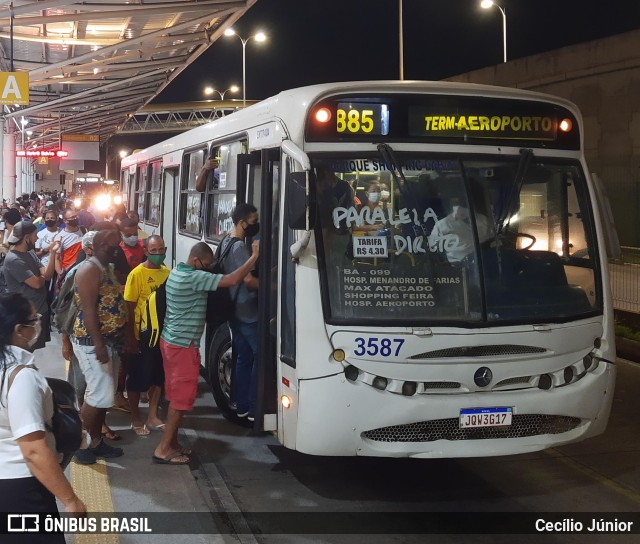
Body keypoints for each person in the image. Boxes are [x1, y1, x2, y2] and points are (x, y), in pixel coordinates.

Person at [153, 240, 259, 465]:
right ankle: (163, 449)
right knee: (180, 401)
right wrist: (254, 257)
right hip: (182, 347)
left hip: (172, 343)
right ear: (195, 260)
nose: (209, 268)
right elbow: (233, 279)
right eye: (206, 264)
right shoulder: (193, 278)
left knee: (175, 397)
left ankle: (172, 443)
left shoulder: (175, 274)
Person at [0, 293, 86, 538]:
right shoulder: (21, 378)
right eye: (34, 319)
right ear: (19, 329)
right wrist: (70, 499)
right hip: (21, 488)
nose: (39, 322)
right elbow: (34, 451)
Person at [71, 225, 128, 464]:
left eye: (116, 244)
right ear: (97, 246)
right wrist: (99, 345)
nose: (114, 249)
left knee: (104, 397)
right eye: (109, 245)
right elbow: (89, 310)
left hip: (109, 341)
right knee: (97, 395)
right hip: (92, 342)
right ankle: (79, 444)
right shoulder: (88, 269)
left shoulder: (107, 267)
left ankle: (95, 441)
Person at [123, 235, 170, 436]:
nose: (158, 254)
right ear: (146, 252)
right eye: (154, 250)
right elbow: (129, 306)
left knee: (158, 377)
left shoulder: (167, 273)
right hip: (141, 335)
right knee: (136, 378)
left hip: (162, 334)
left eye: (161, 250)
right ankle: (135, 418)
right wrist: (132, 339)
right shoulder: (137, 274)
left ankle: (152, 416)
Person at [220, 203, 260, 421]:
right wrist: (274, 286)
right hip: (247, 312)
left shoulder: (226, 240)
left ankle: (241, 405)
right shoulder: (240, 248)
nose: (257, 224)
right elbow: (249, 281)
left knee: (243, 356)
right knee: (259, 355)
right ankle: (254, 408)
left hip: (233, 310)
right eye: (254, 221)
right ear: (243, 223)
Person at [3, 221, 60, 350]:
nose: (37, 238)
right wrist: (43, 276)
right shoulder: (14, 259)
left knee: (32, 349)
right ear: (27, 237)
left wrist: (52, 253)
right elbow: (38, 283)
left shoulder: (30, 253)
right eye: (35, 235)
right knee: (25, 349)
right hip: (25, 316)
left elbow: (47, 276)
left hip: (39, 310)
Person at [428, 197, 492, 265]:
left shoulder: (483, 219)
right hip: (458, 266)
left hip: (485, 261)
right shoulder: (442, 224)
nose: (460, 208)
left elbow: (494, 237)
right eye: (456, 205)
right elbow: (432, 246)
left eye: (463, 205)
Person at [35, 209, 61, 309]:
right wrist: (47, 250)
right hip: (45, 267)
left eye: (52, 218)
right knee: (46, 293)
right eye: (48, 218)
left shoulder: (61, 232)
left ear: (57, 219)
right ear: (44, 219)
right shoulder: (40, 235)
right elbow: (36, 254)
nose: (50, 220)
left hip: (59, 267)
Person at [55, 208, 83, 276]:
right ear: (65, 220)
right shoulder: (60, 237)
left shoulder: (84, 230)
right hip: (69, 272)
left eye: (76, 216)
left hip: (83, 270)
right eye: (72, 217)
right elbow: (56, 258)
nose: (75, 218)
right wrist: (60, 274)